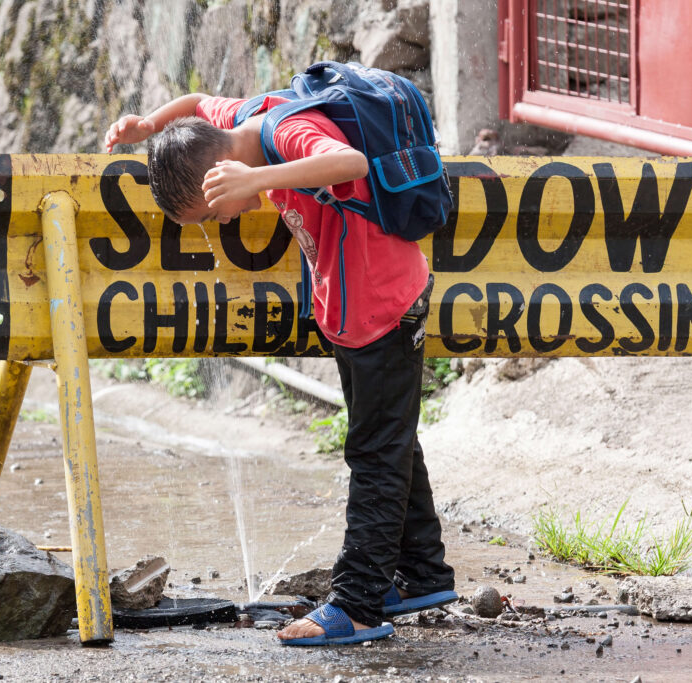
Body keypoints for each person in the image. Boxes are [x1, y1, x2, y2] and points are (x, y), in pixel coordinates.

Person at [104, 88, 456, 646]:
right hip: (354, 307)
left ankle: (358, 604)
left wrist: (256, 179)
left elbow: (351, 163)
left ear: (224, 170)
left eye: (214, 209)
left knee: (376, 452)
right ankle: (423, 573)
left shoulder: (283, 134)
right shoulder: (234, 122)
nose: (224, 217)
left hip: (382, 304)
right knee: (390, 439)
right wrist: (148, 125)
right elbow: (198, 101)